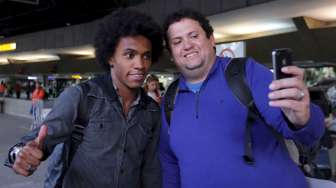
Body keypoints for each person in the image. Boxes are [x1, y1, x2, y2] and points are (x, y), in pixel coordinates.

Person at [159, 8, 325, 188]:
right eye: (177, 41)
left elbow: (307, 133)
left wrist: (302, 120)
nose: (187, 45)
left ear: (211, 39)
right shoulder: (171, 97)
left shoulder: (246, 73)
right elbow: (169, 162)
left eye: (193, 36)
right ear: (172, 55)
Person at [5, 8, 163, 188]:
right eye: (130, 55)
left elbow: (150, 169)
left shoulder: (151, 110)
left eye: (146, 56)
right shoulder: (82, 97)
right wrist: (20, 155)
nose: (140, 65)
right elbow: (38, 140)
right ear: (111, 57)